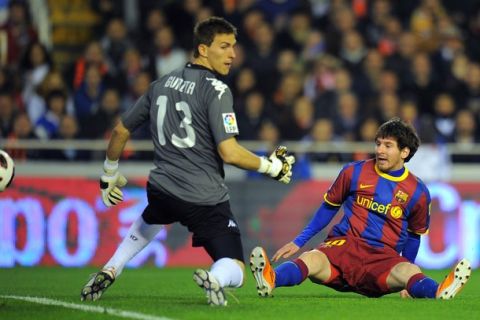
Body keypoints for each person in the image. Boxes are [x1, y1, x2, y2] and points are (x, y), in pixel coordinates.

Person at [80, 17, 295, 306]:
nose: (232, 54)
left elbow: (120, 131)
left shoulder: (161, 84)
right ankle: (215, 279)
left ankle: (111, 268)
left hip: (162, 188)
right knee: (236, 266)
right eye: (224, 46)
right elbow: (229, 153)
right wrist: (271, 166)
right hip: (203, 197)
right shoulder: (217, 90)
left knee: (152, 216)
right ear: (203, 50)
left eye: (234, 46)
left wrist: (109, 173)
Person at [250, 118, 471, 300]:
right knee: (311, 259)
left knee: (410, 272)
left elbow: (414, 236)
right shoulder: (353, 172)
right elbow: (328, 208)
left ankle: (439, 291)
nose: (380, 150)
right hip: (344, 249)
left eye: (388, 145)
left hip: (381, 259)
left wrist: (407, 275)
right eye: (378, 143)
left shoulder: (418, 191)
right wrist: (298, 241)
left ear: (404, 152)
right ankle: (271, 279)